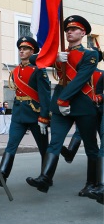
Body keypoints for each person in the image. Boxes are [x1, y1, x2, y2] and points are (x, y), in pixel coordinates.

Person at [26, 15, 100, 195]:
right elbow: (34, 59)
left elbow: (80, 80)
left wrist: (63, 100)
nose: (69, 32)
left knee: (91, 146)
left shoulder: (90, 54)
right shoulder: (59, 54)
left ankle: (92, 184)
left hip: (81, 104)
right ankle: (45, 178)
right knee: (55, 143)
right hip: (60, 106)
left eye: (74, 29)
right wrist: (53, 57)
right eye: (67, 30)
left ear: (83, 33)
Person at [0, 36, 51, 188]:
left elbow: (45, 95)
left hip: (35, 114)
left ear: (33, 51)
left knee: (43, 147)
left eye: (25, 49)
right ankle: (2, 174)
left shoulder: (39, 70)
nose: (22, 51)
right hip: (19, 114)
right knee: (11, 144)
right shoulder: (16, 70)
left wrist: (44, 117)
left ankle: (46, 177)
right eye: (20, 49)